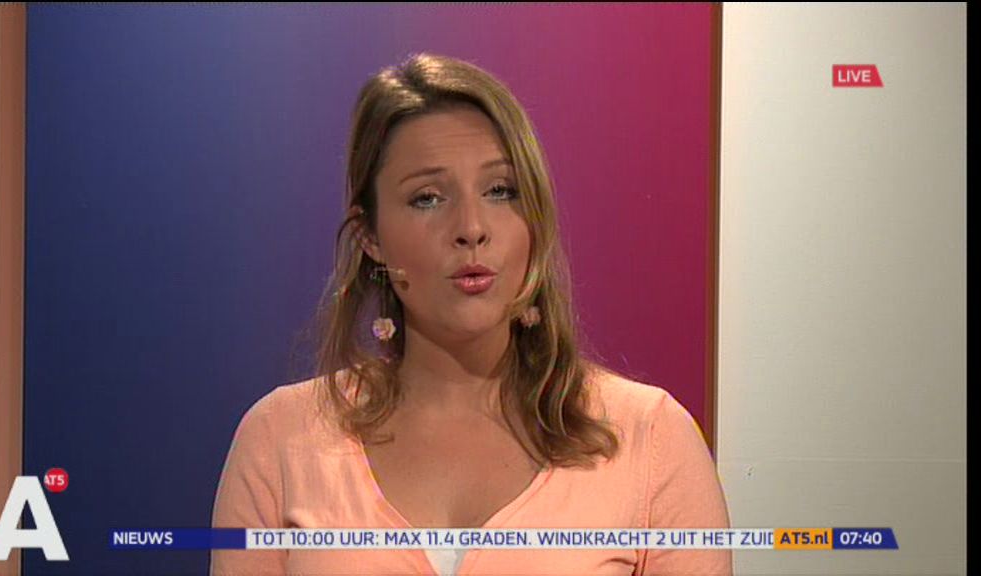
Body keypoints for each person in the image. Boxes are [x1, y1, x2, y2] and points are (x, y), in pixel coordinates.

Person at [211, 52, 731, 576]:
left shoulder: (650, 438)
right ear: (370, 236)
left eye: (500, 191)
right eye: (427, 198)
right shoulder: (279, 438)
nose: (471, 228)